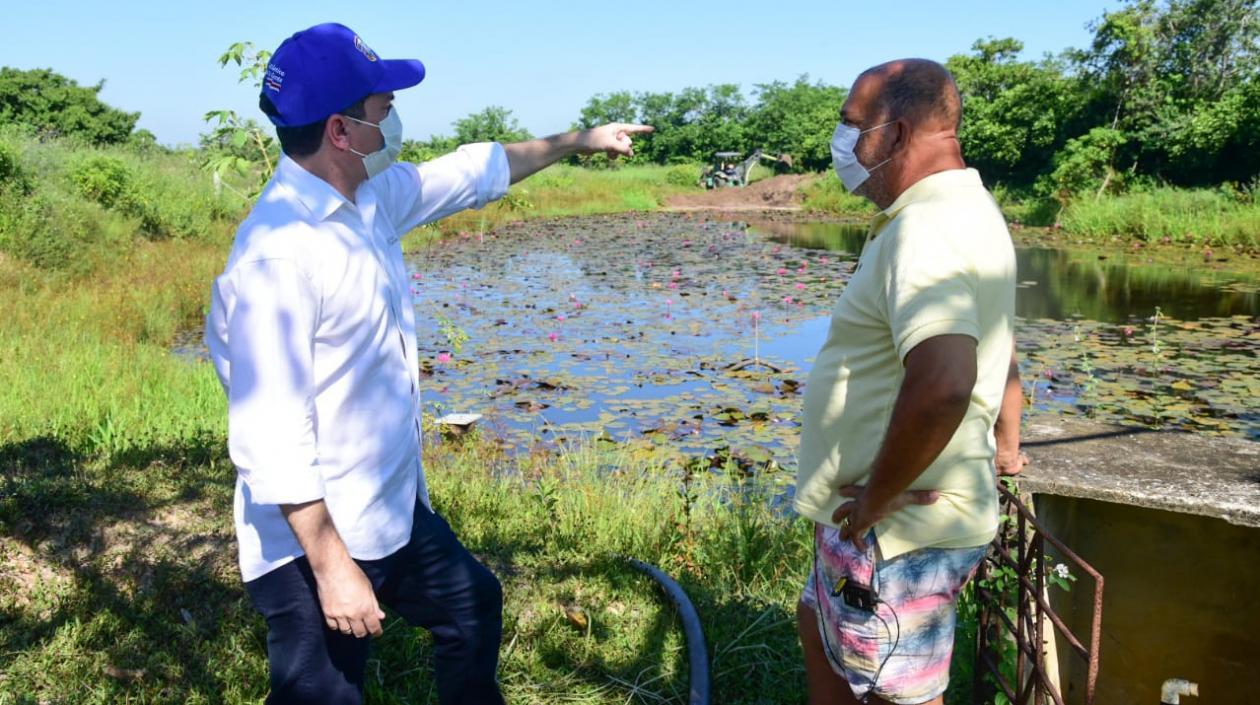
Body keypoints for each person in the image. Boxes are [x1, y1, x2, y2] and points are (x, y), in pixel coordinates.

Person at [204, 22, 651, 704]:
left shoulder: (369, 200)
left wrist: (580, 140)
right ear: (341, 131)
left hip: (390, 509)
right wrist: (333, 569)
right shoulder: (279, 254)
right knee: (321, 692)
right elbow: (271, 435)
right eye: (383, 108)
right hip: (313, 540)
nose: (395, 119)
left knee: (472, 605)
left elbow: (476, 169)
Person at [793, 58, 1025, 705]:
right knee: (818, 622)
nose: (842, 143)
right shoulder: (967, 208)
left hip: (892, 531)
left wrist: (874, 500)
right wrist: (1006, 444)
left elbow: (946, 380)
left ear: (893, 134)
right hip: (885, 527)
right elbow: (1001, 350)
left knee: (895, 693)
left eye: (850, 126)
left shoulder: (926, 229)